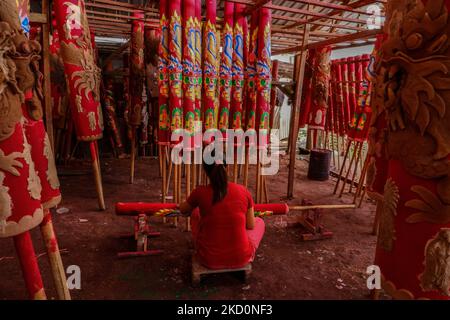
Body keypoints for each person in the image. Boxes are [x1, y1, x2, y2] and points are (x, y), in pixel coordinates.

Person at [179, 160, 265, 270]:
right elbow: (250, 225)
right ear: (227, 168)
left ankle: (208, 243)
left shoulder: (199, 192)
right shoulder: (243, 190)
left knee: (196, 213)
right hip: (241, 257)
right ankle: (237, 244)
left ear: (205, 171)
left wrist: (184, 202)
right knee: (259, 222)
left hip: (208, 259)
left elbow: (183, 209)